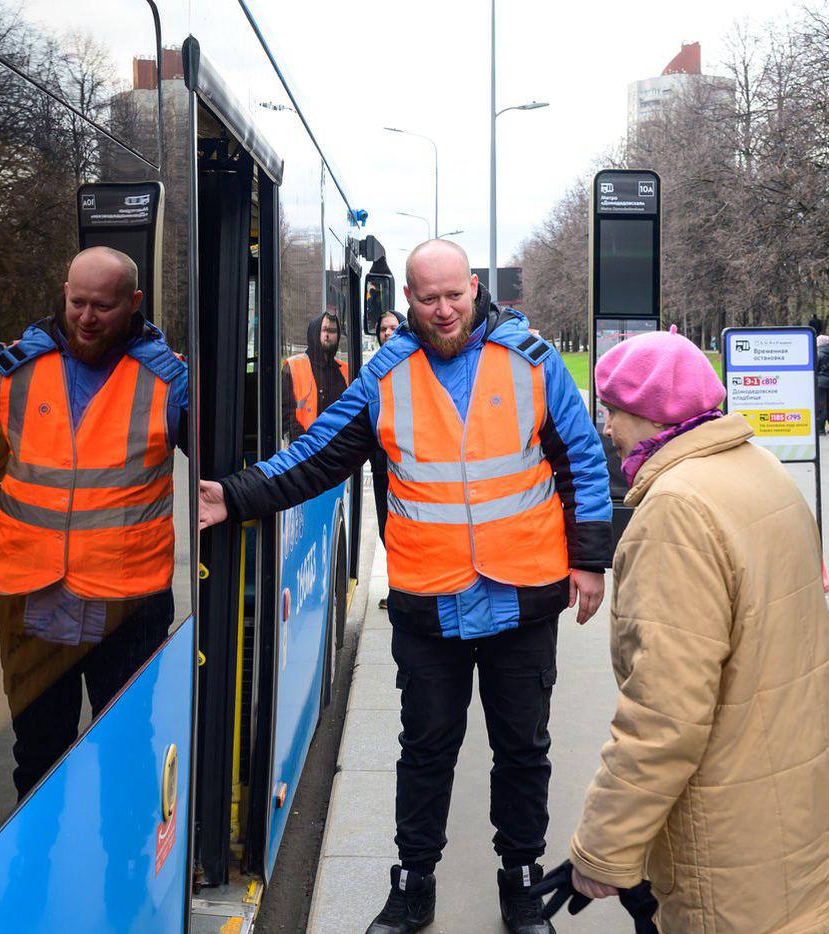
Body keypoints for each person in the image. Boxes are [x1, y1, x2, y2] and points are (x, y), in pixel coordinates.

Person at [200, 239, 613, 934]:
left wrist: (591, 559)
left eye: (454, 295)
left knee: (523, 749)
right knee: (425, 750)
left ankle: (518, 880)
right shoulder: (386, 375)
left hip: (522, 593)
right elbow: (318, 454)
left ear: (475, 287)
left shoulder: (533, 363)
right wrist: (236, 497)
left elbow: (583, 460)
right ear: (408, 302)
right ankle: (413, 882)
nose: (444, 310)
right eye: (428, 299)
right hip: (432, 599)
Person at [560, 328, 829, 932]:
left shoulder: (676, 511)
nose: (606, 428)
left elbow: (664, 711)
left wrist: (604, 847)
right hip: (796, 793)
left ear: (650, 414)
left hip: (730, 816)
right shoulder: (758, 467)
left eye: (612, 411)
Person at [0, 246, 187, 799]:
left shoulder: (167, 381)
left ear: (134, 303)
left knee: (124, 759)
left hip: (127, 606)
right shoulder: (14, 373)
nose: (87, 318)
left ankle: (123, 873)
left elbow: (222, 463)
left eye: (102, 305)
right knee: (38, 762)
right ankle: (40, 873)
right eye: (77, 303)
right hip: (30, 600)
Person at [371, 309, 402, 610]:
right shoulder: (372, 373)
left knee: (403, 533)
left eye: (394, 328)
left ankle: (403, 590)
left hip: (404, 473)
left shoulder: (412, 367)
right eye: (383, 329)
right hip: (381, 471)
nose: (388, 334)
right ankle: (397, 588)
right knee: (385, 530)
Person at [282, 310, 349, 439]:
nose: (327, 335)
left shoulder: (345, 370)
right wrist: (307, 445)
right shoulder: (293, 366)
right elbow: (285, 415)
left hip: (339, 449)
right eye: (324, 330)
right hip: (305, 449)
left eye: (332, 331)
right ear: (315, 332)